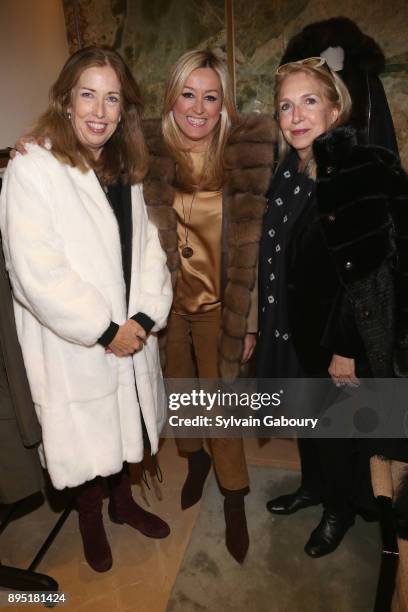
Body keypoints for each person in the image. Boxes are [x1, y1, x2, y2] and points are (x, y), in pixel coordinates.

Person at [0, 46, 172, 573]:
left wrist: (141, 320)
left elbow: (147, 251)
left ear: (125, 110)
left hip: (129, 329)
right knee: (88, 437)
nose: (99, 111)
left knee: (126, 427)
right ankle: (91, 516)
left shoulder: (126, 170)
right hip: (75, 340)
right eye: (88, 95)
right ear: (66, 100)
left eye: (112, 98)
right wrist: (104, 331)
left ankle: (123, 502)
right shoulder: (34, 168)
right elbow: (36, 273)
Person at [256, 57, 408, 557]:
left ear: (335, 106)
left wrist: (344, 348)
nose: (296, 115)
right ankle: (313, 487)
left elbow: (367, 272)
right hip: (297, 327)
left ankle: (338, 509)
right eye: (285, 105)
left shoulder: (351, 169)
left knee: (336, 430)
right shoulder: (293, 166)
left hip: (336, 338)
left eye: (309, 101)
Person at [142, 48, 275, 563]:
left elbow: (257, 251)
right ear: (172, 98)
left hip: (222, 304)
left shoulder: (240, 158)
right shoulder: (147, 155)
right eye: (188, 94)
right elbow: (88, 160)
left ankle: (236, 493)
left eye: (211, 97)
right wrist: (35, 145)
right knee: (178, 390)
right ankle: (193, 459)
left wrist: (251, 324)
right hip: (168, 305)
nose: (198, 107)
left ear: (224, 105)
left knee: (223, 407)